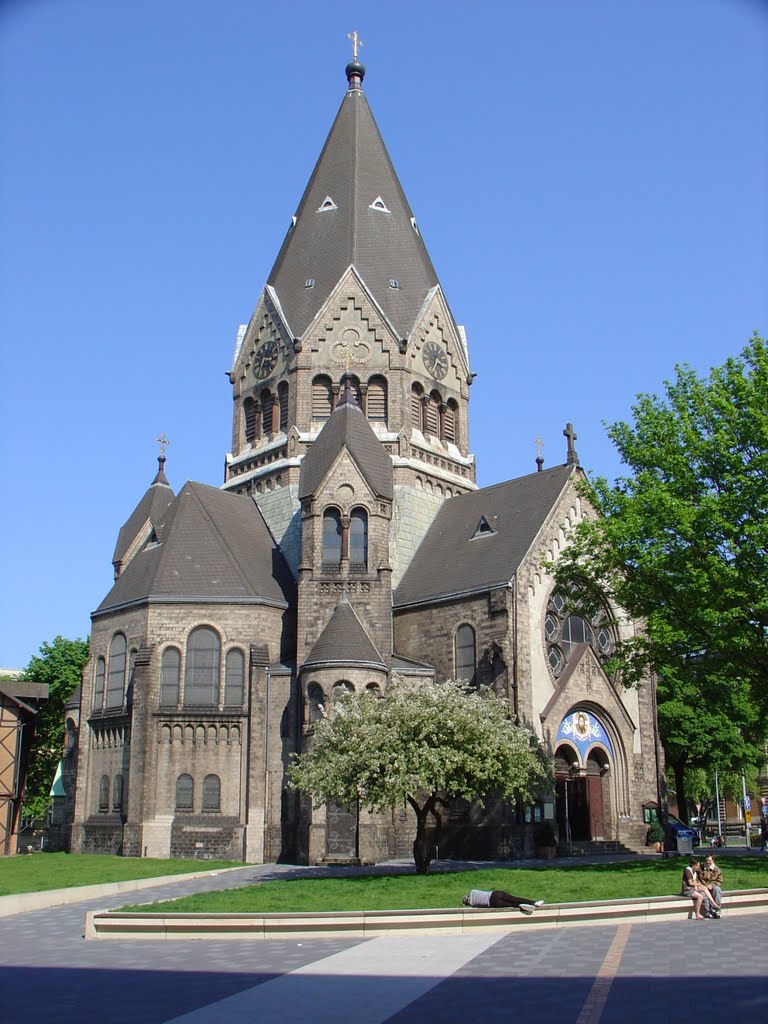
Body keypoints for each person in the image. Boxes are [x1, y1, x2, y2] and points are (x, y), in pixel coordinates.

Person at [462, 889, 543, 915]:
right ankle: (535, 903)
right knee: (515, 898)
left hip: (493, 903)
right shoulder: (473, 892)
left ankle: (520, 905)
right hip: (494, 894)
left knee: (511, 904)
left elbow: (480, 906)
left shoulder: (473, 904)